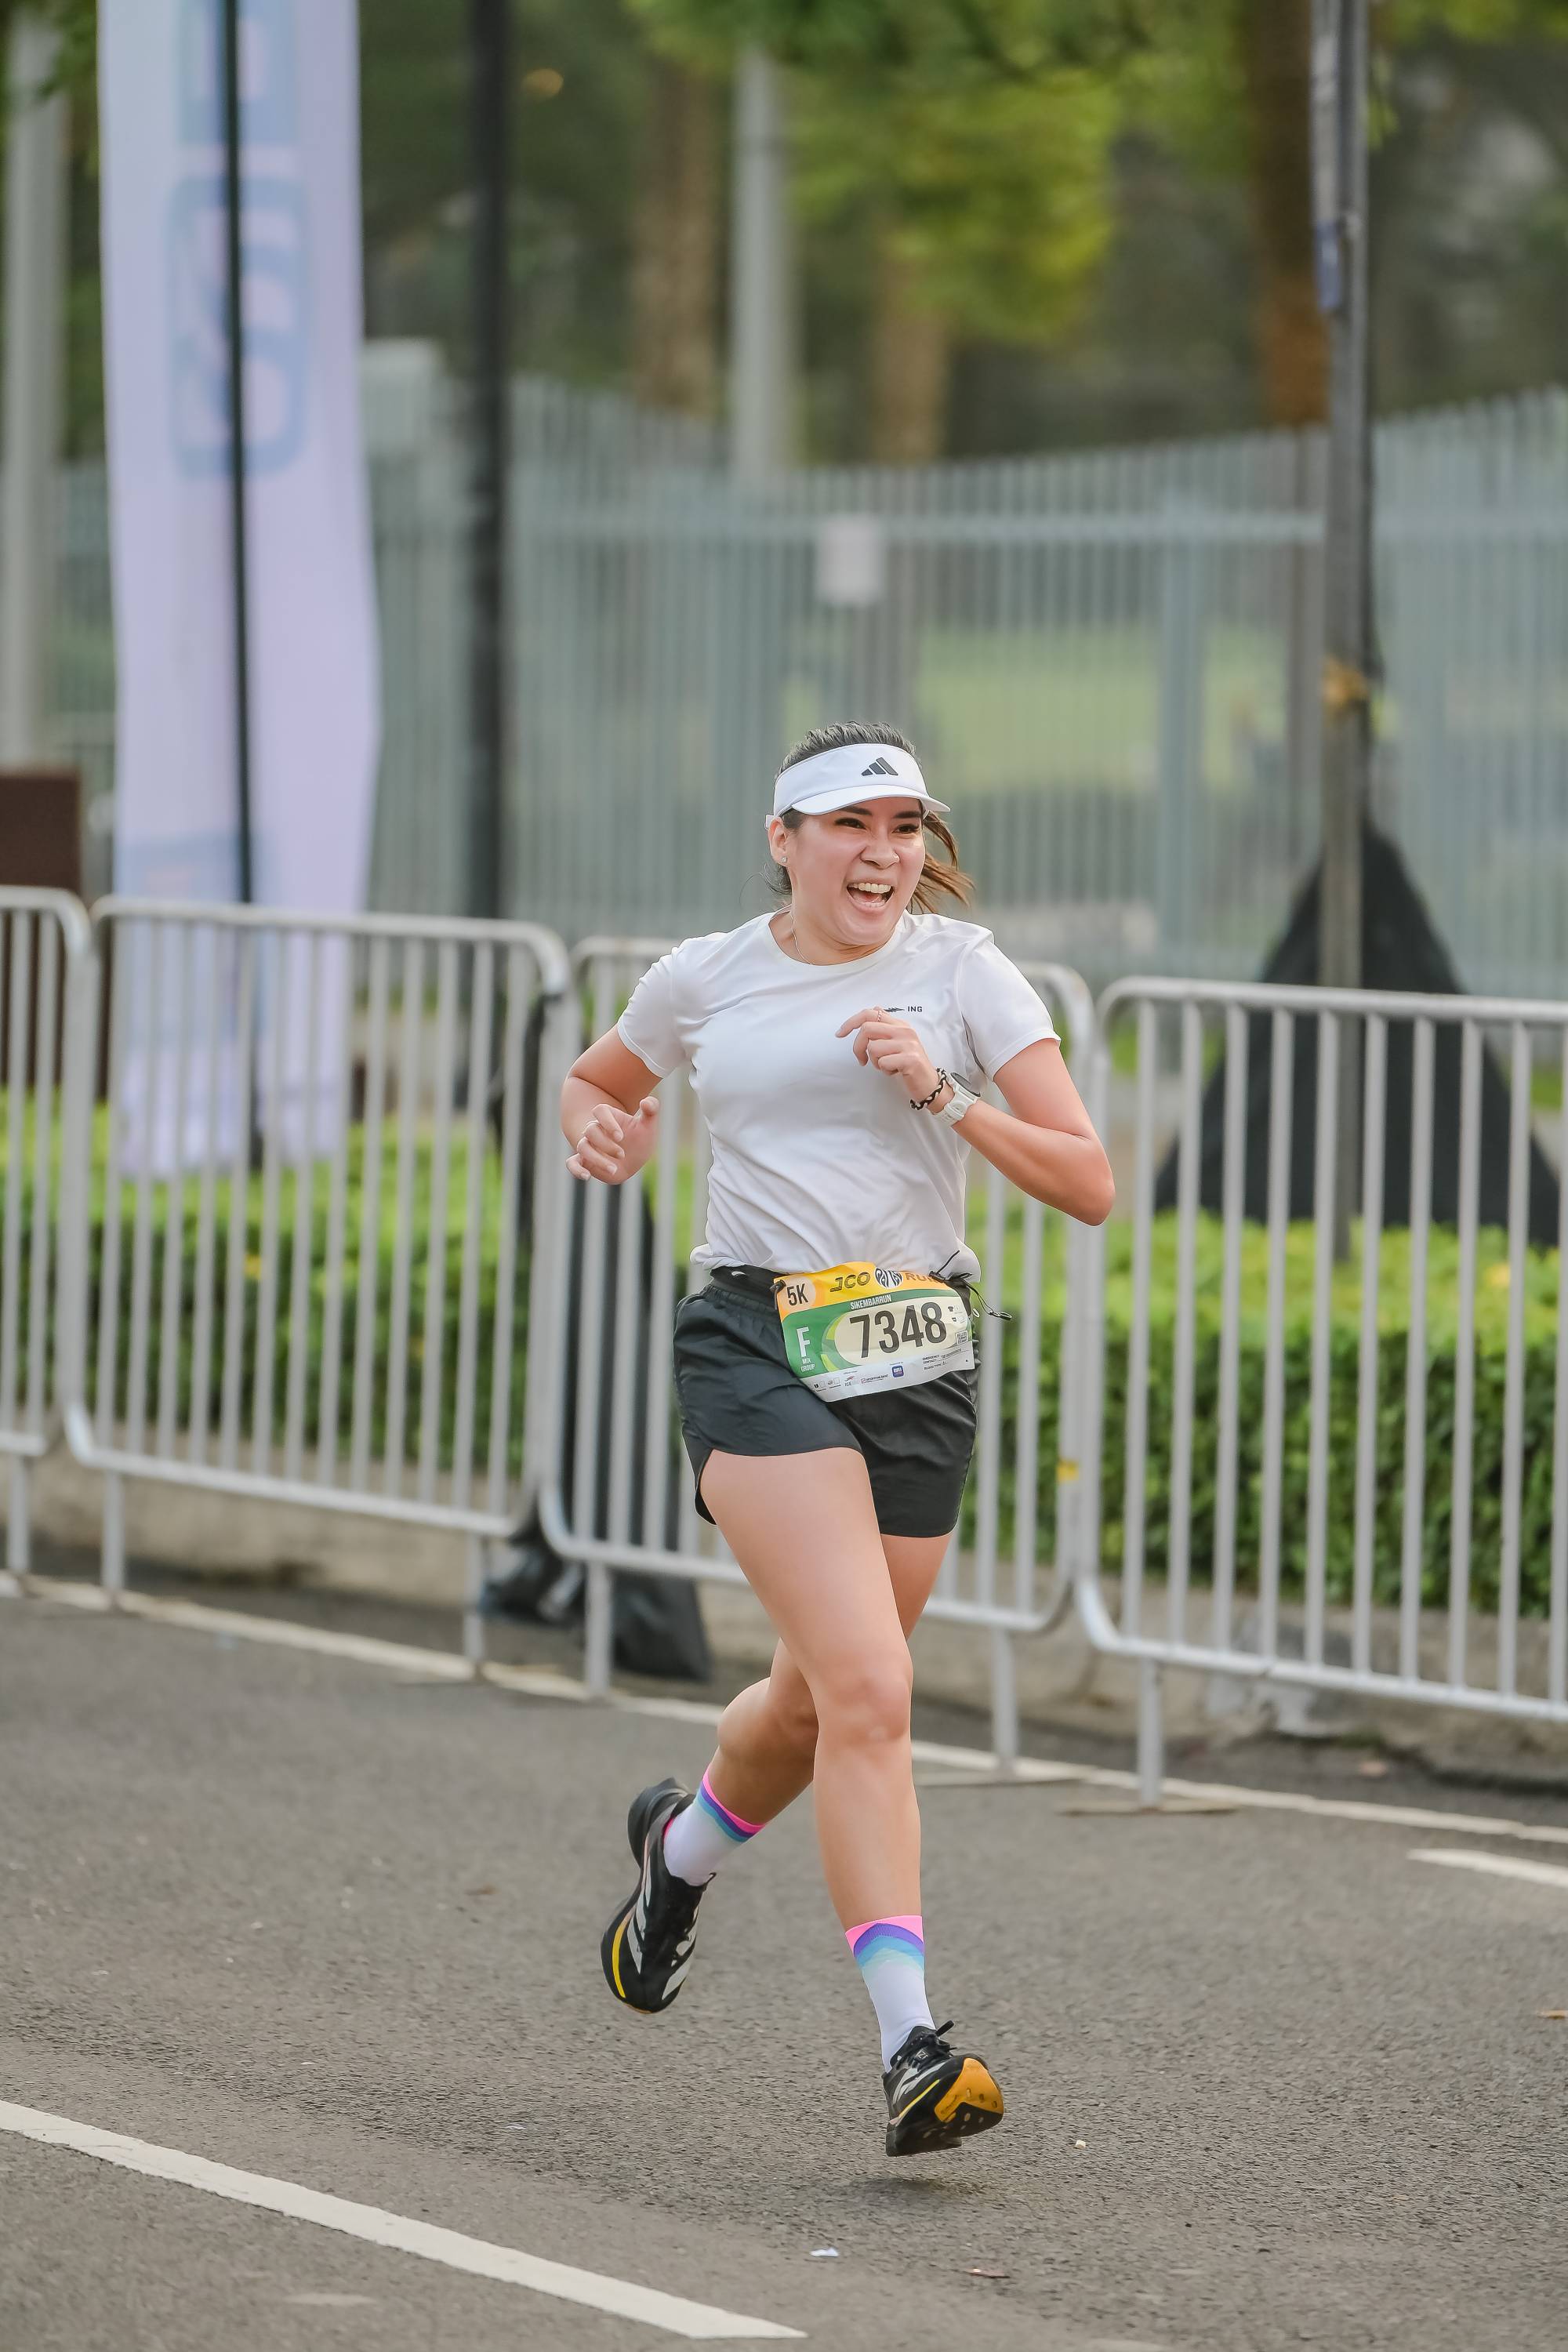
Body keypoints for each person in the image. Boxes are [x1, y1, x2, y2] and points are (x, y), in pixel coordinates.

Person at [559, 721, 1114, 2158]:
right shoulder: (706, 975)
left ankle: (678, 1855)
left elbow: (1088, 1181)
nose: (883, 855)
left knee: (813, 1707)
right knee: (873, 1687)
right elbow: (601, 1079)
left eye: (905, 828)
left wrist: (944, 1092)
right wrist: (603, 1131)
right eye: (852, 827)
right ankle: (912, 2045)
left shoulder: (966, 972)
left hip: (918, 1350)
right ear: (785, 839)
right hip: (754, 1342)